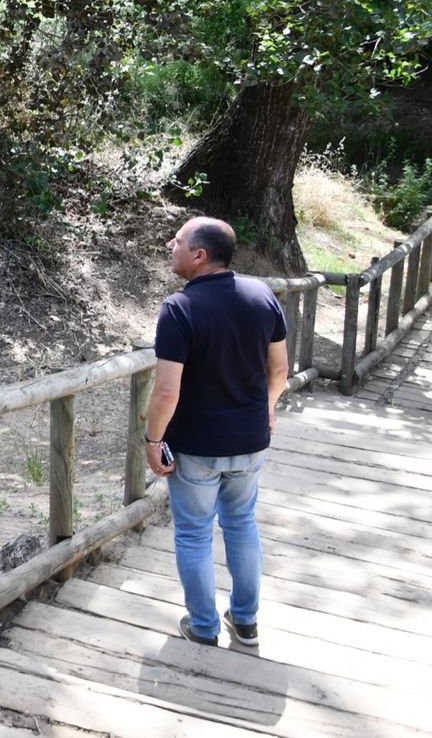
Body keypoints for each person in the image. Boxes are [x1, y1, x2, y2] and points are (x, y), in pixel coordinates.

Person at [145, 216, 288, 648]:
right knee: (241, 524)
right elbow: (279, 370)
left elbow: (167, 390)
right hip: (250, 440)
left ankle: (204, 626)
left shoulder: (179, 308)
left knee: (193, 533)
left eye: (178, 241)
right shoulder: (262, 295)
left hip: (197, 446)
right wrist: (265, 409)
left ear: (200, 255)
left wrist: (153, 441)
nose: (171, 246)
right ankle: (245, 621)